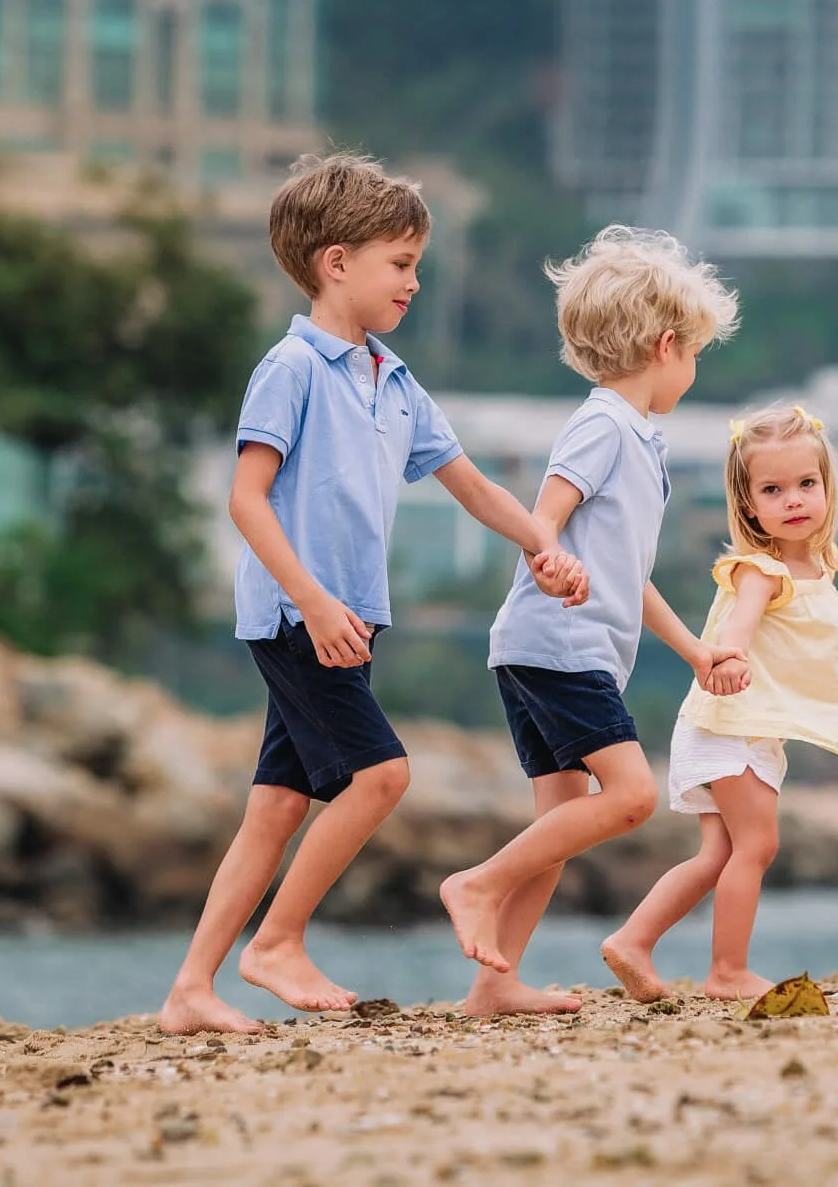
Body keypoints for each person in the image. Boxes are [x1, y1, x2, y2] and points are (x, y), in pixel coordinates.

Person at [158, 154, 588, 1036]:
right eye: (401, 264)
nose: (415, 282)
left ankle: (189, 991)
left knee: (277, 805)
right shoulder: (292, 367)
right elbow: (245, 498)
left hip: (349, 617)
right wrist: (311, 602)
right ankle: (276, 941)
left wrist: (542, 541)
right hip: (299, 614)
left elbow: (471, 485)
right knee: (381, 773)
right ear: (335, 262)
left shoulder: (393, 377)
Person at [438, 226, 744, 1017]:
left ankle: (493, 985)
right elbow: (548, 511)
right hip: (559, 644)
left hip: (553, 649)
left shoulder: (642, 438)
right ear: (667, 345)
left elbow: (628, 574)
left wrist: (693, 650)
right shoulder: (604, 422)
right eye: (696, 352)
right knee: (632, 795)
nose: (695, 369)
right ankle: (477, 882)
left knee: (562, 820)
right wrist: (547, 556)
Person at [600, 404, 838, 1001]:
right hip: (729, 720)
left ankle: (634, 940)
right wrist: (731, 657)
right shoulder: (759, 570)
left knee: (720, 852)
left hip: (739, 726)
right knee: (758, 845)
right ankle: (728, 971)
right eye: (773, 489)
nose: (793, 499)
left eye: (806, 484)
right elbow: (738, 627)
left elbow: (827, 632)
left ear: (827, 489)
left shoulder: (816, 569)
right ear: (748, 506)